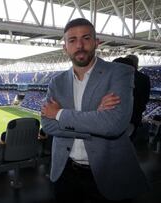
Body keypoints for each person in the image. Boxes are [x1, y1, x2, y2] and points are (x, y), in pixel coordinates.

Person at [41, 18, 149, 203]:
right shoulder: (56, 82)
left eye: (86, 38)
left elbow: (113, 125)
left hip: (110, 172)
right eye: (72, 40)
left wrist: (59, 114)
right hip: (65, 172)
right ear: (65, 46)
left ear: (96, 42)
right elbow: (48, 125)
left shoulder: (120, 73)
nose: (80, 45)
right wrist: (96, 120)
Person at [125, 54, 151, 141]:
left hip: (120, 114)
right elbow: (145, 98)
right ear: (137, 63)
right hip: (135, 115)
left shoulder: (120, 76)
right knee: (130, 140)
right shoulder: (144, 78)